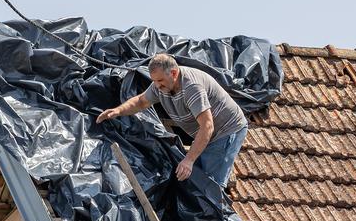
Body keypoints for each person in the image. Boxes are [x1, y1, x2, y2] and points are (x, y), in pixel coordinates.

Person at [95, 53, 248, 186]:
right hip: (205, 133)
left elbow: (207, 126)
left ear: (174, 73)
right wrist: (118, 110)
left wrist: (189, 160)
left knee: (211, 183)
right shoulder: (160, 86)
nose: (156, 85)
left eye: (160, 80)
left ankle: (218, 216)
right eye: (154, 81)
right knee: (197, 178)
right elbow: (141, 101)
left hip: (226, 130)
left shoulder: (191, 87)